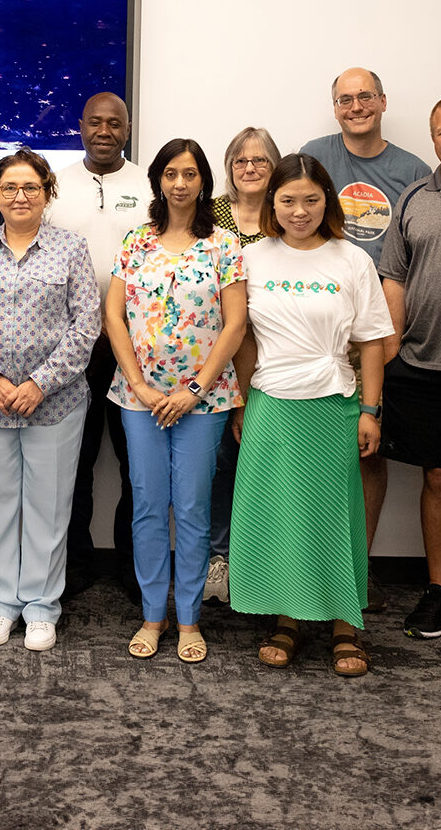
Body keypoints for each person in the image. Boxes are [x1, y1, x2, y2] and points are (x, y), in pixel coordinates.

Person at [229, 154, 393, 676]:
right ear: (272, 204)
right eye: (288, 201)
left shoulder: (351, 260)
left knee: (337, 517)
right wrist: (244, 401)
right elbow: (243, 338)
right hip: (271, 404)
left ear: (329, 201)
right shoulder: (253, 258)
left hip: (334, 404)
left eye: (311, 200)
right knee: (282, 516)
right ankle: (287, 620)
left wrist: (370, 409)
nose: (300, 211)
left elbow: (371, 342)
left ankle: (346, 625)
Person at [0, 148, 100, 652]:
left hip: (53, 403)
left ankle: (40, 606)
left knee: (49, 508)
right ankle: (0, 604)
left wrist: (39, 383)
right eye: (9, 187)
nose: (20, 196)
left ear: (47, 191)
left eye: (30, 186)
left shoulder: (71, 249)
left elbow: (86, 325)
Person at [105, 138, 246, 663]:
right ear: (158, 181)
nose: (180, 183)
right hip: (138, 398)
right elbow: (113, 316)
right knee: (147, 507)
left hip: (202, 402)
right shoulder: (136, 241)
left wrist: (193, 390)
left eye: (190, 173)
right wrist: (140, 386)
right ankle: (152, 617)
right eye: (170, 173)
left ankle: (189, 620)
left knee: (190, 510)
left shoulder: (223, 246)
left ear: (204, 181)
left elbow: (235, 324)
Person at [301, 68, 429, 608]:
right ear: (335, 108)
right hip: (316, 322)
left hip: (377, 325)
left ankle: (357, 570)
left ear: (381, 102)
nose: (355, 106)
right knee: (312, 448)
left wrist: (394, 331)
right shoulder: (314, 153)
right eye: (344, 99)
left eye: (364, 97)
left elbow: (417, 258)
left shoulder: (412, 170)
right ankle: (307, 573)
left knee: (365, 448)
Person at [48, 91, 150, 600]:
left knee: (137, 463)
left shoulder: (149, 183)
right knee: (75, 460)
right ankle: (75, 566)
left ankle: (136, 570)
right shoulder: (56, 185)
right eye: (95, 122)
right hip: (73, 343)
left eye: (115, 123)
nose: (104, 131)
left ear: (127, 129)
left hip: (137, 343)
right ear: (81, 126)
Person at [379, 95, 441, 639]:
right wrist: (385, 365)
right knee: (440, 476)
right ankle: (439, 592)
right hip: (427, 366)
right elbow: (395, 283)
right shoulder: (414, 197)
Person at [203, 126, 281, 605]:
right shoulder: (208, 216)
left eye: (260, 161)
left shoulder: (288, 214)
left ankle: (263, 564)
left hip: (275, 362)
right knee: (219, 467)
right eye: (240, 161)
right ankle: (219, 559)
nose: (250, 169)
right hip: (216, 361)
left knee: (267, 470)